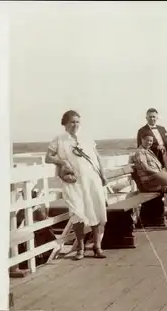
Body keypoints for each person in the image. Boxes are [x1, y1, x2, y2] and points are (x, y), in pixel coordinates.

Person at [45, 110, 107, 260]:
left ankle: (97, 247)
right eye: (72, 122)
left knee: (96, 209)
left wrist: (103, 175)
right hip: (73, 181)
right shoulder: (59, 140)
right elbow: (48, 157)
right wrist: (62, 161)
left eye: (77, 122)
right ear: (65, 124)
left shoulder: (86, 138)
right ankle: (80, 248)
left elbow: (96, 157)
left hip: (92, 178)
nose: (75, 125)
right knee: (77, 213)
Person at [136, 108, 167, 216]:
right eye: (150, 117)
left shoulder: (162, 129)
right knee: (165, 183)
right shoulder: (142, 131)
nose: (152, 118)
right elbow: (141, 147)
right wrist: (157, 147)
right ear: (146, 118)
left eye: (154, 116)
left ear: (157, 117)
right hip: (156, 161)